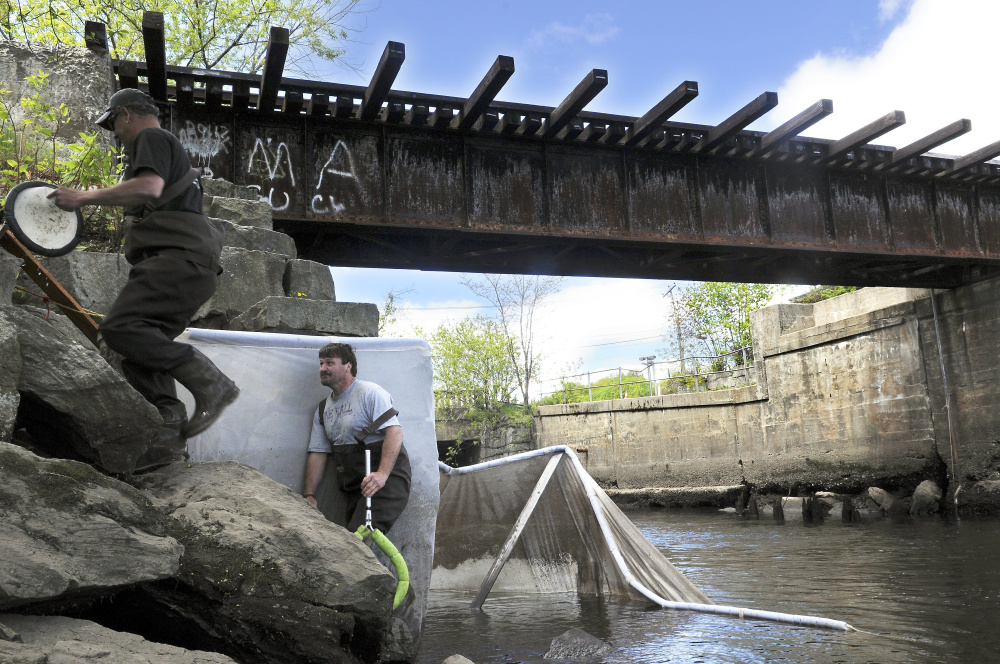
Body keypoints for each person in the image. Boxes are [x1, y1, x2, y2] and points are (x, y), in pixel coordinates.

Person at [47, 88, 239, 473]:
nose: (115, 134)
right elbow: (152, 194)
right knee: (140, 353)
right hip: (188, 267)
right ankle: (167, 442)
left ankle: (213, 383)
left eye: (113, 125)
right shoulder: (169, 149)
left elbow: (148, 187)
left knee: (120, 329)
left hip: (175, 261)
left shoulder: (150, 138)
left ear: (125, 116)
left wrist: (83, 197)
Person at [303, 342, 411, 532]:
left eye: (329, 363)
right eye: (321, 364)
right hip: (355, 487)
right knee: (355, 542)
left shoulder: (369, 393)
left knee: (359, 539)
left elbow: (395, 432)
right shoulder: (322, 409)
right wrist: (309, 494)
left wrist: (382, 475)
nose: (323, 368)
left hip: (385, 480)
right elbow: (318, 452)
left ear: (348, 366)